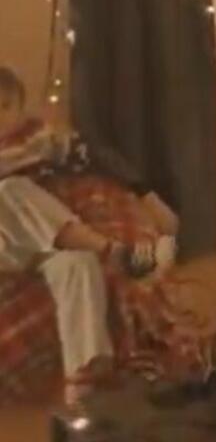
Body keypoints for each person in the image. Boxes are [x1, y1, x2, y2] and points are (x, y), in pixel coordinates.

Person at [0, 66, 177, 403]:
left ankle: (85, 392)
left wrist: (146, 194)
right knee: (8, 191)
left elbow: (95, 155)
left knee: (78, 265)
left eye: (6, 106)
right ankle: (114, 251)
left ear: (20, 109)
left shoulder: (38, 139)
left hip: (40, 242)